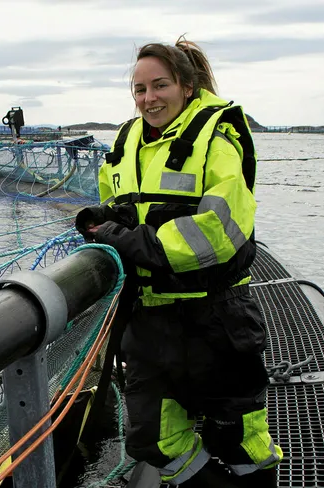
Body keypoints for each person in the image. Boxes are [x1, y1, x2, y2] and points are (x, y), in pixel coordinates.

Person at [76, 36, 282, 487]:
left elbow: (219, 231)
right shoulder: (128, 138)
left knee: (238, 440)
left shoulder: (218, 135)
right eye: (139, 89)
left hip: (215, 319)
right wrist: (106, 220)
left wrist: (132, 242)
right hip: (150, 320)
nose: (148, 99)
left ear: (186, 87)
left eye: (159, 86)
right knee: (155, 441)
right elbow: (122, 204)